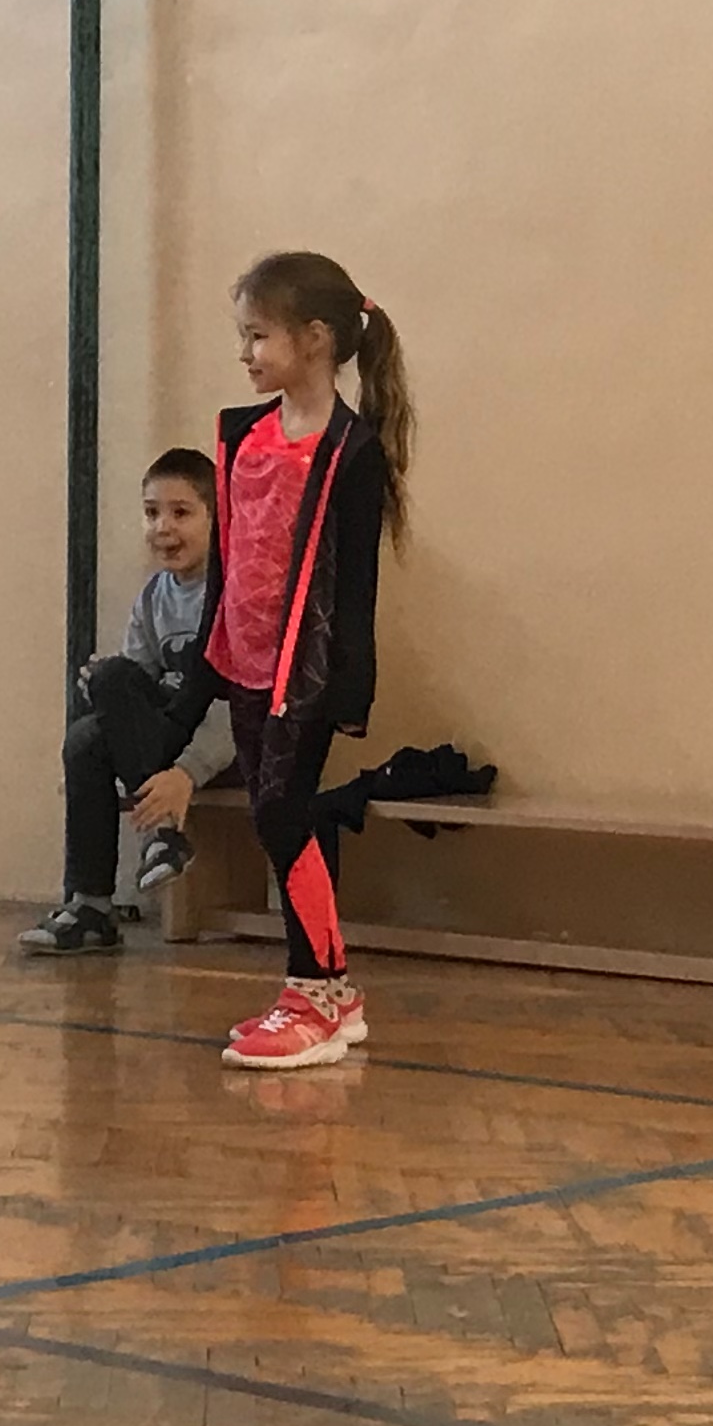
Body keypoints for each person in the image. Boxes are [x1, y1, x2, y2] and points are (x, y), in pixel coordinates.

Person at [207, 253, 410, 1072]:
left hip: (309, 672)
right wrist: (211, 658)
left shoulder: (351, 452)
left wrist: (350, 688)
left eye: (259, 336)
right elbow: (229, 559)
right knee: (272, 815)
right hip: (247, 662)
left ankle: (314, 994)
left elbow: (354, 585)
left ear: (316, 339)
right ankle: (332, 992)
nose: (246, 354)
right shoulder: (244, 434)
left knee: (283, 813)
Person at [20, 448, 239, 956]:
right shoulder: (153, 597)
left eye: (181, 512)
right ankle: (92, 907)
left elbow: (242, 704)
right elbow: (136, 689)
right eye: (151, 512)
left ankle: (162, 832)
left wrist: (186, 772)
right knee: (88, 732)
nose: (163, 527)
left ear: (217, 518)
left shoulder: (235, 593)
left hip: (227, 748)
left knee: (110, 688)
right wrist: (102, 688)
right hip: (166, 743)